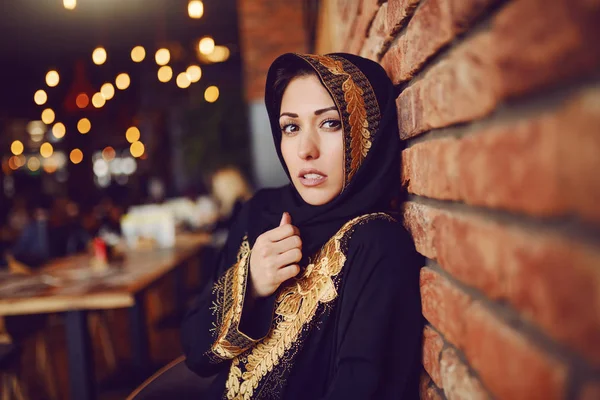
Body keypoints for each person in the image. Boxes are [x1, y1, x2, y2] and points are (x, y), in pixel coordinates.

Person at [181, 53, 422, 399]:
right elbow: (196, 351)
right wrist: (252, 283)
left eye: (331, 123)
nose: (306, 150)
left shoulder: (376, 245)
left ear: (366, 131)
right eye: (291, 127)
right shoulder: (261, 212)